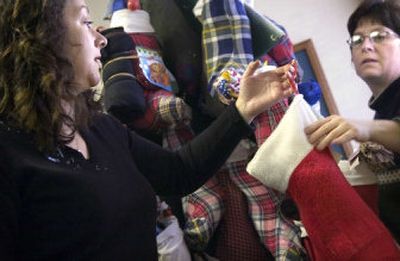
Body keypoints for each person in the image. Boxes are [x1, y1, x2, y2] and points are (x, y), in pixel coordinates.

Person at [0, 0, 295, 260]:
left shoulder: (100, 128)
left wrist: (243, 108)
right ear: (40, 38)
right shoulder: (8, 152)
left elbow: (179, 171)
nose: (100, 39)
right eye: (85, 21)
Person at [305, 0, 400, 244]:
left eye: (380, 36)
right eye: (357, 40)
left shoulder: (375, 125)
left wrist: (362, 128)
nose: (366, 46)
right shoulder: (382, 115)